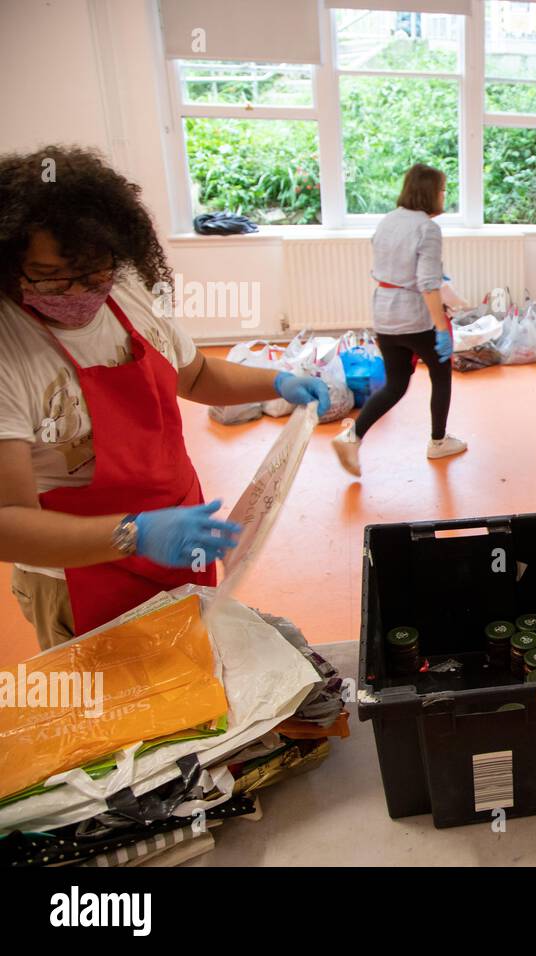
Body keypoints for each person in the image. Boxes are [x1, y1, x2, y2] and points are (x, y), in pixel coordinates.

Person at [0, 145, 329, 648]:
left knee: (193, 677)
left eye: (95, 273)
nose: (79, 292)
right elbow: (9, 523)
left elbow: (195, 378)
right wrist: (136, 534)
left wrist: (277, 381)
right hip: (80, 572)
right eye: (51, 277)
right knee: (117, 706)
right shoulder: (8, 349)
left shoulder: (128, 288)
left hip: (177, 535)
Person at [332, 163, 467, 475]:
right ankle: (438, 441)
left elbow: (399, 268)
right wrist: (439, 328)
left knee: (396, 383)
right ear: (431, 192)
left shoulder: (389, 220)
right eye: (443, 189)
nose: (444, 195)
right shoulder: (427, 228)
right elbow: (428, 284)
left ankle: (351, 437)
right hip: (416, 317)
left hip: (385, 313)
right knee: (441, 373)